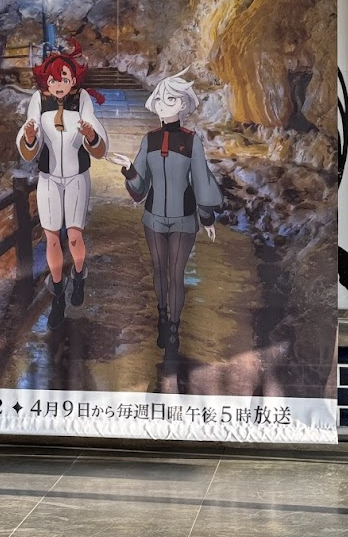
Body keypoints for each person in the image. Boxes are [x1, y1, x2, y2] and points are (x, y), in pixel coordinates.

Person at [109, 72, 221, 360]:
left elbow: (201, 180)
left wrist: (207, 217)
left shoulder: (192, 141)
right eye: (159, 99)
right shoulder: (149, 140)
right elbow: (139, 188)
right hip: (153, 218)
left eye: (170, 99)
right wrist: (128, 169)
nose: (163, 104)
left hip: (184, 219)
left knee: (176, 273)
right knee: (160, 269)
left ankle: (173, 326)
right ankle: (162, 316)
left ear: (183, 104)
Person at [17, 41, 108, 327]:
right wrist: (29, 137)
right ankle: (57, 294)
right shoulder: (38, 100)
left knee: (75, 237)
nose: (59, 85)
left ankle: (79, 276)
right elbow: (29, 138)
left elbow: (99, 144)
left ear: (73, 80)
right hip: (48, 178)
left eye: (64, 79)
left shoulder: (82, 99)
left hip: (78, 176)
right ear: (46, 81)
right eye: (53, 80)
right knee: (53, 238)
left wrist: (91, 135)